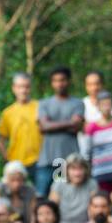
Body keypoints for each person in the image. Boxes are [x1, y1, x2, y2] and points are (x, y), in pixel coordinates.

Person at [34, 67, 84, 197]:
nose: (59, 84)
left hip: (64, 161)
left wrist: (51, 125)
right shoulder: (44, 103)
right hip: (46, 159)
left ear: (68, 81)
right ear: (52, 83)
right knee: (41, 197)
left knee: (61, 197)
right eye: (55, 80)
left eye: (62, 80)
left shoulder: (77, 103)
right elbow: (43, 127)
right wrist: (69, 123)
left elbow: (76, 126)